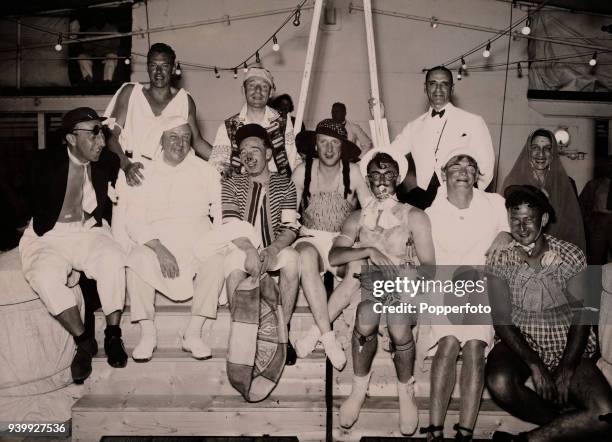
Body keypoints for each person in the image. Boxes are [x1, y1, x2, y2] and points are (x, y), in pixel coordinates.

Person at [485, 185, 612, 442]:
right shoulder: (500, 258)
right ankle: (568, 424)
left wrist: (567, 366)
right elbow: (501, 320)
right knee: (499, 381)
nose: (521, 227)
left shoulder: (572, 254)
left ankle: (525, 440)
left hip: (569, 345)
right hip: (522, 343)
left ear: (543, 219)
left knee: (604, 414)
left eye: (528, 220)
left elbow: (583, 314)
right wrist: (535, 364)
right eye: (515, 219)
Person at [19, 107, 128, 384]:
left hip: (88, 230)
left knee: (113, 259)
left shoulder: (108, 162)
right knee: (43, 275)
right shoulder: (40, 163)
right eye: (93, 134)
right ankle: (83, 341)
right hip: (50, 234)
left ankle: (113, 335)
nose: (101, 141)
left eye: (101, 132)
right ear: (70, 138)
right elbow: (12, 194)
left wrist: (131, 165)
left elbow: (125, 172)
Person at [334, 148, 435, 435]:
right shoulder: (358, 217)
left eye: (388, 173)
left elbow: (430, 267)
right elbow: (334, 256)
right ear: (367, 179)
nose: (382, 180)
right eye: (376, 174)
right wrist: (367, 249)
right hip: (369, 286)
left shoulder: (414, 216)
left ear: (398, 177)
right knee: (366, 314)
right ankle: (358, 389)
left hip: (408, 284)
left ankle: (406, 391)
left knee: (399, 321)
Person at [420, 150, 508, 442]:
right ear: (443, 174)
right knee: (446, 344)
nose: (463, 170)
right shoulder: (430, 214)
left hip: (481, 287)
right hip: (444, 287)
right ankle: (434, 430)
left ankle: (465, 433)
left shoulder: (494, 204)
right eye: (456, 165)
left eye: (470, 166)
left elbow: (512, 230)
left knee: (474, 346)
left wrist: (503, 234)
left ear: (477, 177)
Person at [124, 118, 222, 362]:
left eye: (186, 137)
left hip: (198, 240)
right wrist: (159, 249)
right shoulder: (143, 172)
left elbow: (220, 211)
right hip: (159, 242)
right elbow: (133, 220)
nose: (180, 143)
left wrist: (216, 240)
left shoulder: (206, 171)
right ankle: (148, 333)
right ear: (161, 140)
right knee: (135, 257)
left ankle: (194, 333)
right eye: (173, 137)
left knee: (218, 259)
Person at [202, 124, 300, 365]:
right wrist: (248, 250)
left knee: (293, 260)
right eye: (243, 150)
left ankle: (282, 333)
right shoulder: (231, 184)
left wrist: (273, 249)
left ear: (268, 154)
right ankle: (244, 337)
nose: (248, 155)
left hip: (273, 247)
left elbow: (290, 227)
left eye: (254, 149)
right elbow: (232, 225)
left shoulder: (285, 184)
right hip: (241, 247)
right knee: (233, 266)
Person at [291, 119, 371, 369]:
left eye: (334, 143)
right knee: (303, 256)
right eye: (323, 142)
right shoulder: (302, 171)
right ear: (315, 145)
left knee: (359, 267)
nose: (328, 149)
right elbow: (288, 215)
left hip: (341, 241)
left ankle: (315, 333)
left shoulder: (354, 171)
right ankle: (329, 338)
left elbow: (369, 211)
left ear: (342, 147)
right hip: (310, 238)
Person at [381, 66, 494, 209]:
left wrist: (469, 199)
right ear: (425, 88)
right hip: (424, 201)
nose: (438, 89)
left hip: (461, 199)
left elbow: (486, 167)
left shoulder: (473, 121)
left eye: (444, 84)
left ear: (452, 89)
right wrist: (379, 119)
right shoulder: (413, 126)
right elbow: (388, 155)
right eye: (433, 83)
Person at [502, 128, 586, 252]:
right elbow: (506, 222)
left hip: (557, 253)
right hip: (521, 250)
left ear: (553, 153)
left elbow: (573, 228)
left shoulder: (566, 184)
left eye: (547, 148)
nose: (541, 153)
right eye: (535, 147)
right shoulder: (513, 181)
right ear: (528, 151)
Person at [210, 67, 300, 177]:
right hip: (241, 189)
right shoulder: (228, 126)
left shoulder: (283, 120)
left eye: (264, 86)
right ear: (244, 90)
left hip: (278, 188)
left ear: (271, 92)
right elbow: (217, 164)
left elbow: (292, 158)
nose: (258, 90)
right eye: (252, 85)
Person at [579, 155, 612, 264]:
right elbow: (582, 205)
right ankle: (593, 281)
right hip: (598, 225)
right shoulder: (593, 184)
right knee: (595, 259)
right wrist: (589, 223)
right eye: (609, 164)